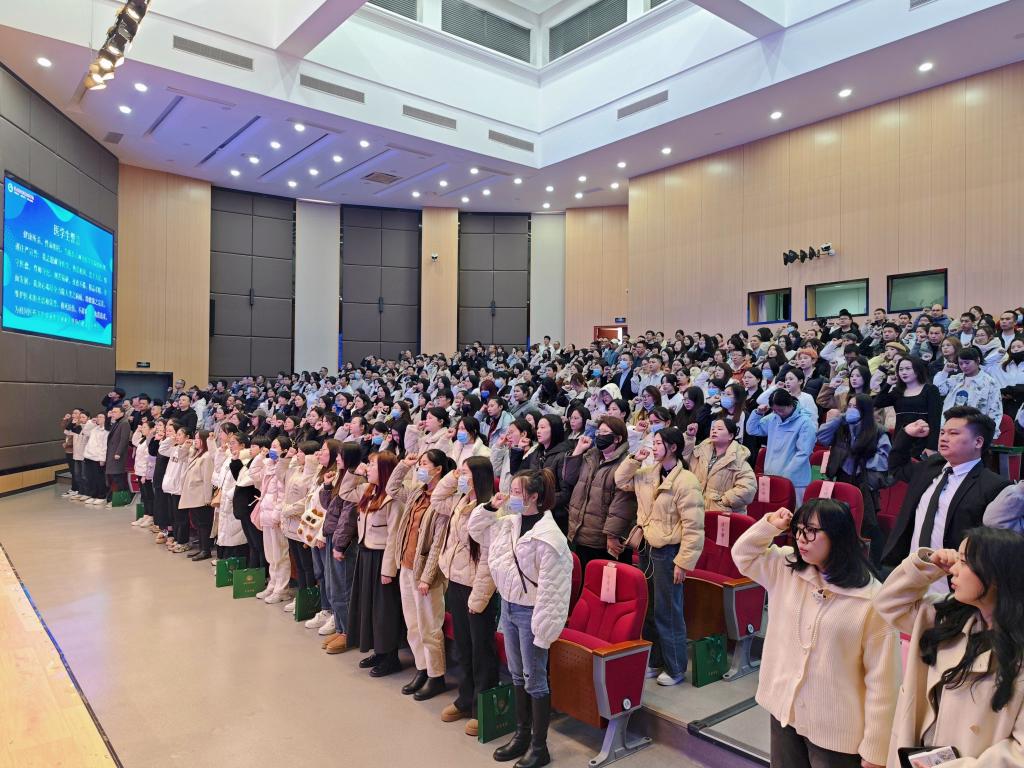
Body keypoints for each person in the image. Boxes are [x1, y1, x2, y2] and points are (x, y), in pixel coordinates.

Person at [733, 500, 900, 768]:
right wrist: (770, 525)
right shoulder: (787, 567)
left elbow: (883, 681)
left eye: (811, 531)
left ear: (838, 536)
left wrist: (875, 748)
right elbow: (743, 555)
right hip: (786, 712)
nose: (801, 538)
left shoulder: (871, 600)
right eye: (798, 529)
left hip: (837, 731)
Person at [875, 528, 1024, 765]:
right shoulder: (947, 618)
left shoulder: (1017, 652)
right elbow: (888, 604)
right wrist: (929, 565)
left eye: (964, 562)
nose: (953, 569)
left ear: (995, 575)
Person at [468, 469, 572, 768]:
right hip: (509, 606)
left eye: (516, 492)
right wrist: (491, 507)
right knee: (516, 674)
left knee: (535, 680)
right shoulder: (509, 522)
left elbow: (554, 590)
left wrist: (543, 631)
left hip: (532, 612)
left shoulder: (550, 536)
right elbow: (476, 530)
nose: (510, 496)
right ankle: (521, 734)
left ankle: (539, 747)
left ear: (534, 497)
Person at [615, 427, 704, 685]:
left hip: (668, 552)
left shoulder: (686, 481)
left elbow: (694, 527)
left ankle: (675, 667)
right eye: (652, 443)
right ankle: (655, 660)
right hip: (646, 546)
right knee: (649, 608)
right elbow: (620, 481)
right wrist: (634, 459)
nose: (653, 447)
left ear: (673, 447)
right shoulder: (647, 473)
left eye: (658, 443)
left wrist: (683, 563)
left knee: (668, 610)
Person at [880, 407, 1011, 575]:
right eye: (942, 432)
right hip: (911, 569)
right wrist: (906, 435)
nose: (943, 438)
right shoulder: (931, 467)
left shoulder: (994, 486)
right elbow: (897, 468)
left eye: (953, 433)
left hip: (952, 576)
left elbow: (993, 545)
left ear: (978, 442)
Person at [432, 456, 499, 736]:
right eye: (460, 472)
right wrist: (453, 475)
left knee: (481, 648)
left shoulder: (490, 509)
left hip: (477, 587)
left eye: (466, 473)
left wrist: (480, 598)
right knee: (462, 645)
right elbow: (437, 498)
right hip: (457, 581)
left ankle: (482, 707)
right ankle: (465, 697)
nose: (461, 477)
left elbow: (488, 559)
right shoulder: (461, 501)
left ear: (479, 477)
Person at [386, 449, 457, 702]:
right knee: (413, 625)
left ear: (438, 470)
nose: (420, 468)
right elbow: (392, 489)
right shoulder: (417, 492)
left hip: (427, 575)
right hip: (406, 566)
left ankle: (436, 676)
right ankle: (422, 668)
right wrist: (404, 465)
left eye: (424, 464)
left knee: (429, 627)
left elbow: (438, 543)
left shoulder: (444, 501)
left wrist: (427, 577)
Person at [344, 450, 405, 678]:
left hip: (382, 559)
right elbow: (345, 491)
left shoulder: (393, 499)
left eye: (372, 465)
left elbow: (394, 537)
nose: (368, 468)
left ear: (385, 470)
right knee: (368, 606)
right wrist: (354, 472)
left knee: (384, 610)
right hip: (366, 555)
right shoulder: (369, 490)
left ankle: (391, 656)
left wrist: (388, 570)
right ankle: (378, 651)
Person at [816, 395, 891, 565]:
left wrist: (864, 460)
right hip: (841, 476)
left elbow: (884, 459)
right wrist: (839, 419)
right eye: (849, 406)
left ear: (865, 410)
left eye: (855, 407)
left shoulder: (878, 431)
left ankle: (870, 564)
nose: (851, 410)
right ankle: (837, 559)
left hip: (864, 481)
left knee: (866, 523)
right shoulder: (841, 427)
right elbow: (822, 437)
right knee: (838, 519)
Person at [563, 416, 637, 572]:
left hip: (602, 539)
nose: (599, 436)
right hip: (579, 531)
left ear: (617, 438)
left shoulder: (626, 464)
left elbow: (622, 505)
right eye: (598, 432)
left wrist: (611, 535)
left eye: (605, 433)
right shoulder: (590, 456)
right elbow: (569, 478)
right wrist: (578, 450)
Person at [317, 443, 366, 649]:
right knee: (332, 587)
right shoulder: (341, 477)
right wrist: (328, 487)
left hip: (343, 543)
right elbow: (329, 507)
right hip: (333, 536)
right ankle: (339, 628)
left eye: (340, 456)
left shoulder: (357, 481)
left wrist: (340, 545)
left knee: (343, 589)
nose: (336, 459)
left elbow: (348, 518)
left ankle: (348, 632)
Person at [746, 390, 817, 505]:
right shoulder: (773, 418)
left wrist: (785, 476)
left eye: (781, 410)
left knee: (793, 512)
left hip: (795, 480)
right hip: (771, 474)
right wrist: (758, 413)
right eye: (775, 410)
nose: (778, 413)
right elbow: (752, 430)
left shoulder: (805, 422)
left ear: (790, 405)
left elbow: (803, 453)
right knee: (773, 512)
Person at [682, 417, 757, 514]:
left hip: (720, 514)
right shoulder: (700, 451)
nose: (714, 431)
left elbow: (748, 489)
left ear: (730, 436)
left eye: (720, 429)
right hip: (695, 510)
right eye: (713, 428)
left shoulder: (738, 458)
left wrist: (723, 501)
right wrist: (689, 437)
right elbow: (682, 456)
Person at [873, 356, 942, 453]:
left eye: (908, 369)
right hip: (900, 440)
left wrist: (931, 446)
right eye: (901, 369)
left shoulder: (930, 390)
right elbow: (877, 402)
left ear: (917, 370)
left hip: (923, 441)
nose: (903, 372)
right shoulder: (897, 392)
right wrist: (887, 385)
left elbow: (935, 420)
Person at [934, 347, 1004, 438]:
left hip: (975, 430)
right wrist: (944, 372)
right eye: (961, 363)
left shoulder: (990, 382)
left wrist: (990, 434)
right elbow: (940, 391)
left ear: (977, 361)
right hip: (950, 426)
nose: (964, 366)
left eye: (967, 363)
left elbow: (995, 410)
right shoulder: (956, 379)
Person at [104, 404, 132, 507]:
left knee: (118, 476)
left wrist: (118, 453)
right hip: (112, 453)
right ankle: (117, 498)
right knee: (114, 476)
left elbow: (124, 440)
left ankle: (122, 499)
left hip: (117, 455)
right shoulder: (117, 422)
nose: (113, 414)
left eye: (115, 412)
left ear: (122, 413)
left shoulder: (124, 423)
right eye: (112, 412)